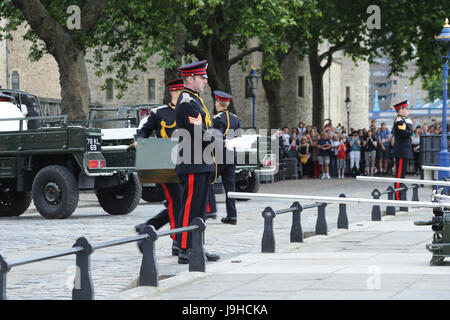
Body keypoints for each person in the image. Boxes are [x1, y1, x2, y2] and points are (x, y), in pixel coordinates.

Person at [174, 60, 220, 264]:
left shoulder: (195, 100)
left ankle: (197, 245)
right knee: (190, 207)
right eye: (202, 78)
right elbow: (197, 133)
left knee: (200, 209)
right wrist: (222, 143)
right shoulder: (187, 102)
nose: (205, 82)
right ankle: (184, 248)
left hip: (201, 161)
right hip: (193, 161)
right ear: (190, 78)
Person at [133, 78, 184, 256]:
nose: (180, 95)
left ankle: (148, 226)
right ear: (172, 93)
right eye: (177, 92)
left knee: (180, 202)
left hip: (186, 163)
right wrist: (140, 141)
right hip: (165, 164)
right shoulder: (159, 112)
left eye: (182, 92)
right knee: (176, 200)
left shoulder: (190, 111)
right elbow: (143, 131)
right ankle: (178, 241)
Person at [212, 90, 240, 225]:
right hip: (232, 155)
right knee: (230, 187)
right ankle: (232, 215)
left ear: (218, 103)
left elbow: (216, 138)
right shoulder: (235, 118)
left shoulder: (217, 119)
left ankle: (208, 211)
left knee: (207, 182)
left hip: (219, 156)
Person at [391, 100, 413, 200]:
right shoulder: (399, 121)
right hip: (401, 151)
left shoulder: (403, 120)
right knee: (399, 175)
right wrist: (409, 125)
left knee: (402, 174)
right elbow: (406, 133)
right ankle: (398, 197)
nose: (407, 110)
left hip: (403, 150)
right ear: (400, 110)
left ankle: (400, 195)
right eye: (406, 108)